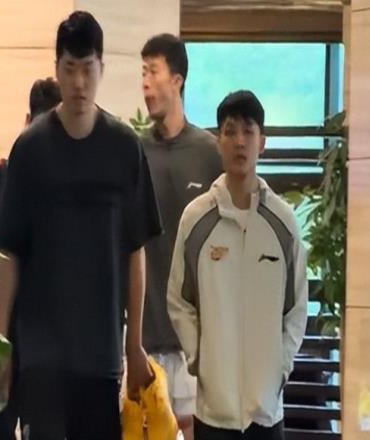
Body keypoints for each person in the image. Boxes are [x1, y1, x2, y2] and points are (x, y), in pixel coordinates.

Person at [0, 11, 161, 439]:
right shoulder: (30, 149)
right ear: (57, 69)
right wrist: (0, 341)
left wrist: (134, 343)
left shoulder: (124, 148)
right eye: (70, 69)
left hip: (100, 354)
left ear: (102, 68)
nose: (79, 82)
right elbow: (9, 251)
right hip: (41, 356)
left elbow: (135, 251)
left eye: (88, 69)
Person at [167, 90, 308, 440]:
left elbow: (296, 308)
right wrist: (200, 360)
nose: (240, 141)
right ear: (218, 142)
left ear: (263, 142)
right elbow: (179, 300)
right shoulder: (196, 219)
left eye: (248, 131)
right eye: (230, 131)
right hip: (214, 413)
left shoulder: (282, 222)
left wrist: (280, 370)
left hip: (266, 411)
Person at [140, 33, 222, 440]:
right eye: (142, 73)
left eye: (153, 72)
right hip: (144, 339)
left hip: (195, 340)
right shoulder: (135, 153)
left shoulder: (210, 153)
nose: (145, 84)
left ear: (177, 80)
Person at [0, 77, 61, 440]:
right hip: (0, 328)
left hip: (48, 334)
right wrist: (10, 235)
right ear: (26, 123)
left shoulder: (66, 186)